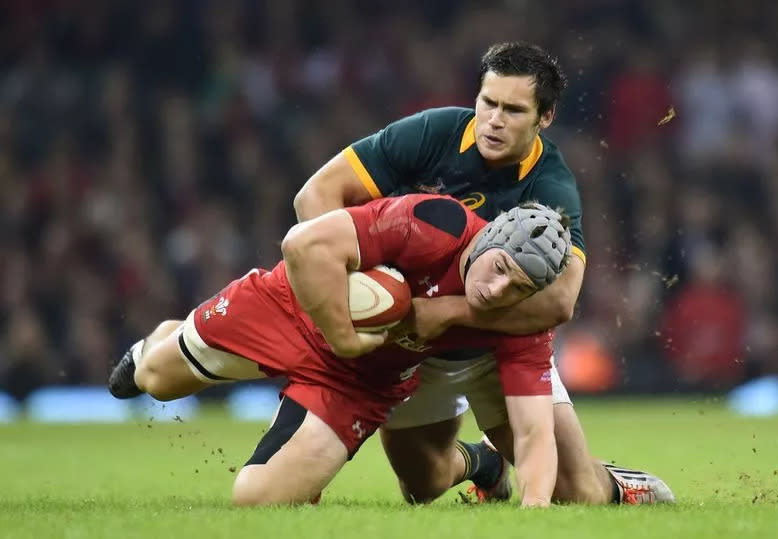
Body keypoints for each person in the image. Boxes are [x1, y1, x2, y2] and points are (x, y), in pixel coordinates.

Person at [293, 41, 674, 504]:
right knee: (424, 485)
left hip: (502, 345)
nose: (494, 120)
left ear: (545, 118)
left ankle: (623, 485)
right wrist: (361, 289)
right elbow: (315, 197)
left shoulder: (551, 187)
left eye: (513, 110)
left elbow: (561, 301)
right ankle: (484, 462)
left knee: (578, 493)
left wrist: (448, 311)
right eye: (488, 102)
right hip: (416, 343)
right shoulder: (433, 133)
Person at [109, 193, 572, 507]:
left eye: (519, 287)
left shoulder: (523, 323)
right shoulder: (435, 222)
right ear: (489, 237)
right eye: (500, 268)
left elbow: (534, 435)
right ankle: (168, 334)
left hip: (356, 383)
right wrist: (344, 338)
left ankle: (480, 460)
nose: (497, 290)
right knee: (154, 378)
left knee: (255, 500)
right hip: (287, 307)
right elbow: (302, 243)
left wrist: (533, 516)